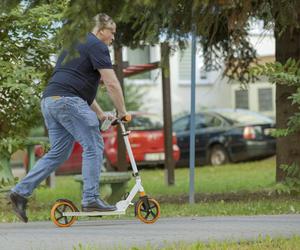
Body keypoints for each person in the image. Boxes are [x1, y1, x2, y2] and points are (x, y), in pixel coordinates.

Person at [8, 13, 128, 223]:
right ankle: (91, 199)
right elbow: (112, 83)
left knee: (58, 153)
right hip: (67, 102)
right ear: (101, 30)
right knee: (93, 145)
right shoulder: (98, 46)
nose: (113, 38)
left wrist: (100, 114)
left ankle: (20, 192)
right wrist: (123, 112)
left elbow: (74, 84)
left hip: (50, 101)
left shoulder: (75, 45)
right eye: (112, 32)